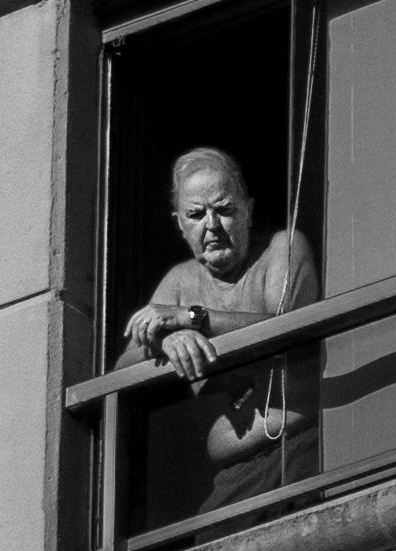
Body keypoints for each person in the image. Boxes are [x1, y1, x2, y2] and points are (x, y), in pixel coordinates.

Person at [122, 146, 322, 512]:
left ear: (247, 210)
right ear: (180, 224)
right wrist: (167, 341)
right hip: (231, 476)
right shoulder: (179, 280)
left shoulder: (283, 247)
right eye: (196, 215)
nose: (211, 226)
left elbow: (288, 328)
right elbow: (122, 370)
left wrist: (190, 319)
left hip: (299, 450)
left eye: (224, 210)